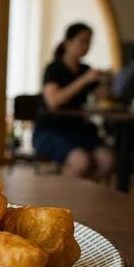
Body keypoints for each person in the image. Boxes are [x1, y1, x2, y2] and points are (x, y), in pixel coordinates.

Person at [33, 23, 115, 179]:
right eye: (83, 41)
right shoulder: (54, 69)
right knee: (81, 161)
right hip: (52, 129)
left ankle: (85, 196)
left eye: (89, 42)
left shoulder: (85, 69)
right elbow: (54, 101)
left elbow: (101, 96)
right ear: (68, 42)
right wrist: (84, 80)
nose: (87, 46)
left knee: (107, 160)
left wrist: (106, 81)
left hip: (78, 128)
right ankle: (63, 197)